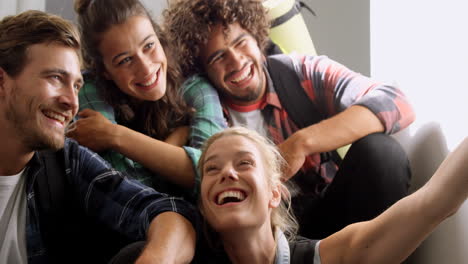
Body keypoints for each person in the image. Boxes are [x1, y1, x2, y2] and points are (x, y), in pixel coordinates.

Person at [163, 0, 416, 238]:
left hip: (331, 215)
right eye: (218, 57)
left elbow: (396, 102)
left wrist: (302, 143)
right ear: (202, 68)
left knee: (382, 153)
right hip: (259, 238)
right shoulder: (202, 111)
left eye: (241, 43)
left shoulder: (298, 71)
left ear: (257, 36)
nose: (236, 60)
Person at [0, 10, 197, 264]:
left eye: (76, 86)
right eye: (56, 78)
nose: (71, 102)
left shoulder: (66, 161)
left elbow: (172, 213)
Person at [196, 126, 468, 264]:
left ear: (274, 193)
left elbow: (434, 202)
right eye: (212, 168)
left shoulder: (325, 257)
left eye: (244, 163)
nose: (227, 173)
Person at [67, 0, 226, 198]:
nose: (145, 68)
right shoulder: (90, 91)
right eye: (125, 60)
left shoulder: (196, 88)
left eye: (149, 45)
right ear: (104, 71)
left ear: (160, 39)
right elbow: (130, 192)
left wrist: (114, 136)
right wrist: (175, 143)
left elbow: (219, 172)